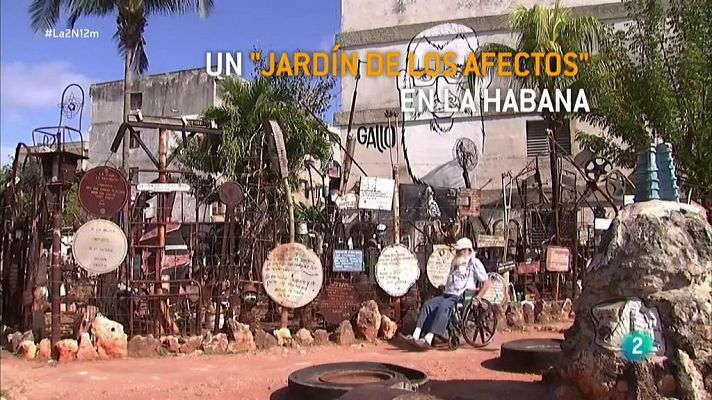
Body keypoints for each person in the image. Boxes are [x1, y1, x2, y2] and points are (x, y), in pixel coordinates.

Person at [401, 237, 492, 349]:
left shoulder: (474, 263)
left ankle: (429, 339)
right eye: (457, 250)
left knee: (443, 307)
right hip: (448, 294)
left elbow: (487, 282)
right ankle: (416, 334)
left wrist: (478, 297)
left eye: (460, 250)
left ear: (467, 250)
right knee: (428, 305)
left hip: (462, 295)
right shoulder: (455, 262)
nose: (457, 252)